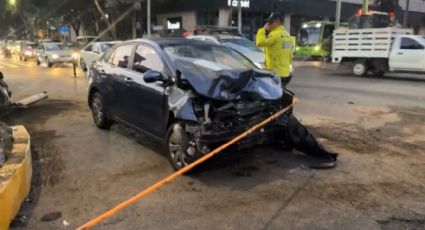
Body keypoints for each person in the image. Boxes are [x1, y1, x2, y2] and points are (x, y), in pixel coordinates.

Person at [256, 12, 293, 87]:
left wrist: (263, 30)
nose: (268, 24)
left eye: (270, 22)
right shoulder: (287, 35)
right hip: (285, 72)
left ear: (277, 21)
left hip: (275, 72)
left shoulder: (275, 34)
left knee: (273, 95)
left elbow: (260, 42)